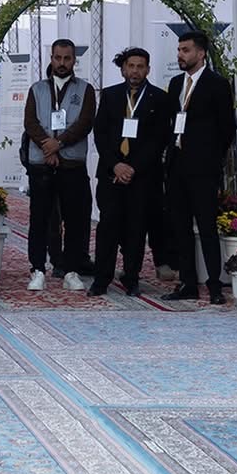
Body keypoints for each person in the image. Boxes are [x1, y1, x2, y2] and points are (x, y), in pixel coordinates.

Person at [163, 31, 236, 304]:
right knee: (180, 226)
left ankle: (214, 285)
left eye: (186, 50)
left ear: (201, 53)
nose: (180, 55)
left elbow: (227, 127)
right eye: (179, 50)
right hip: (177, 164)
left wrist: (212, 156)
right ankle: (188, 283)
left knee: (206, 226)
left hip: (204, 167)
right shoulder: (175, 84)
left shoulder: (217, 84)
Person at [90, 47, 170, 297]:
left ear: (148, 69)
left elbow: (159, 139)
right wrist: (116, 164)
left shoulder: (159, 98)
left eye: (140, 67)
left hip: (142, 177)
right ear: (124, 69)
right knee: (108, 228)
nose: (135, 71)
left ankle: (132, 277)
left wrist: (133, 167)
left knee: (136, 228)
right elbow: (100, 133)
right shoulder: (110, 95)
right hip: (111, 174)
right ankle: (101, 279)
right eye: (131, 66)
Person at [21, 38, 96, 291]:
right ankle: (38, 270)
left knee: (75, 220)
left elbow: (85, 123)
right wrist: (47, 145)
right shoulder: (37, 89)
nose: (62, 63)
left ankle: (71, 270)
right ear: (51, 59)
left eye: (67, 58)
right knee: (39, 219)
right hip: (41, 165)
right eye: (57, 58)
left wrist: (59, 144)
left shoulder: (85, 89)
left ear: (74, 60)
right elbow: (30, 122)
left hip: (72, 165)